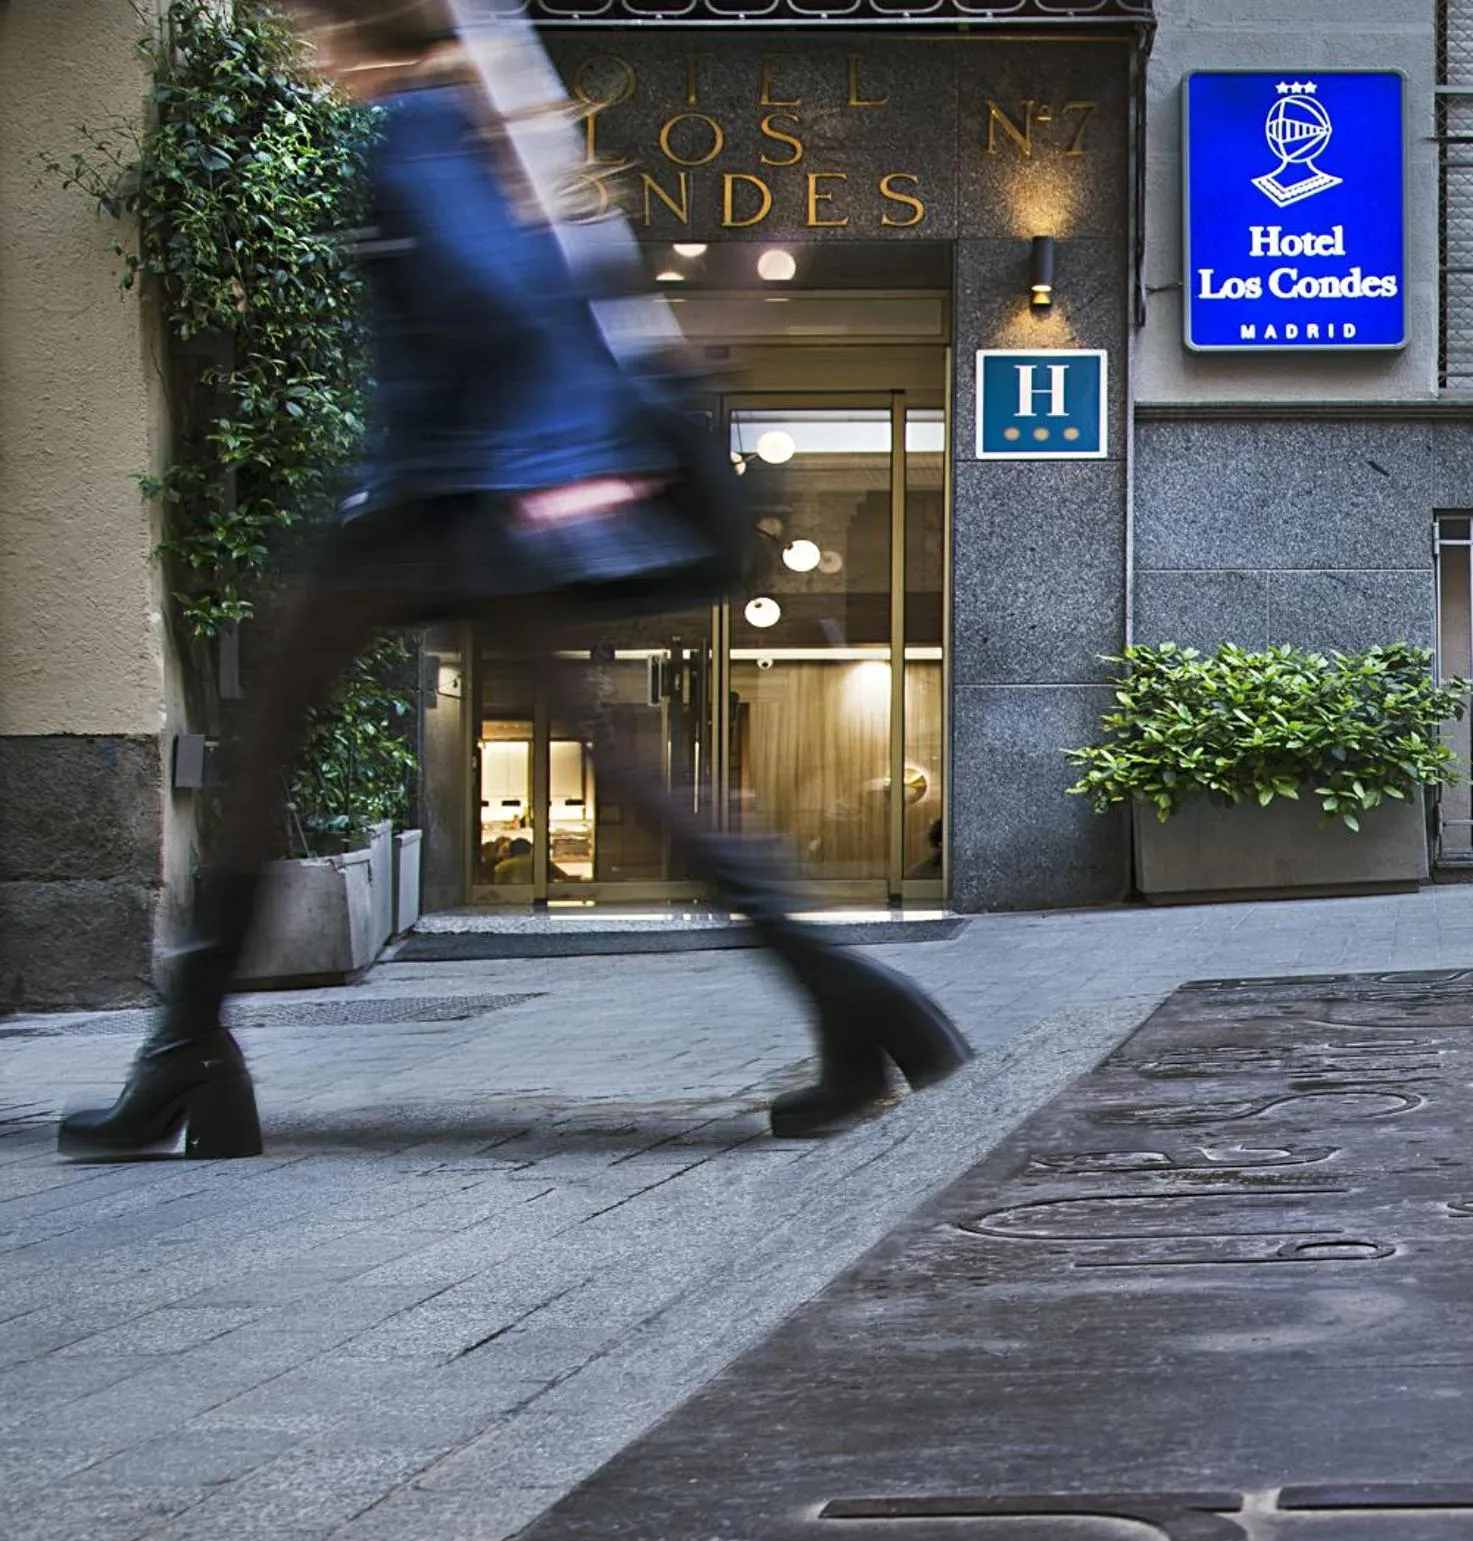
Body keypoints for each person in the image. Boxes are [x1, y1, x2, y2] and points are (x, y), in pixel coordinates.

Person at [60, 0, 968, 1161]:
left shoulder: (421, 121)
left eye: (314, 22)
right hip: (474, 492)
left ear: (353, 25)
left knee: (268, 742)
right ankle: (855, 1004)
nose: (304, 41)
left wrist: (499, 476)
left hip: (448, 498)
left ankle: (184, 1059)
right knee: (619, 758)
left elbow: (490, 301)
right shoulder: (481, 114)